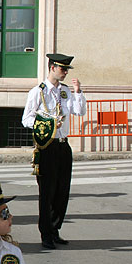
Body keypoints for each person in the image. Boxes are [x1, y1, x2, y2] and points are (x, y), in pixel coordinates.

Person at [21, 53, 86, 250]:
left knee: (62, 191)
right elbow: (26, 119)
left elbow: (79, 111)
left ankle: (55, 229)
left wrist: (77, 92)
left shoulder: (65, 91)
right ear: (52, 68)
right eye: (62, 68)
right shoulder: (38, 92)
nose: (65, 72)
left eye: (66, 69)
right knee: (47, 191)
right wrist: (46, 124)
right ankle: (46, 233)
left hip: (63, 145)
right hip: (47, 146)